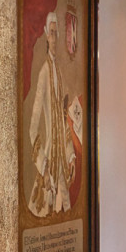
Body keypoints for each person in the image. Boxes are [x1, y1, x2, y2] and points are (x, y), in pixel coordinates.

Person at [27, 12, 76, 217]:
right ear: (47, 35)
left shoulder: (59, 72)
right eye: (52, 34)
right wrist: (43, 168)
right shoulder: (44, 73)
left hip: (62, 163)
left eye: (57, 34)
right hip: (49, 161)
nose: (55, 39)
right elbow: (33, 127)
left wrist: (71, 155)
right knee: (44, 212)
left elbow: (63, 119)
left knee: (65, 210)